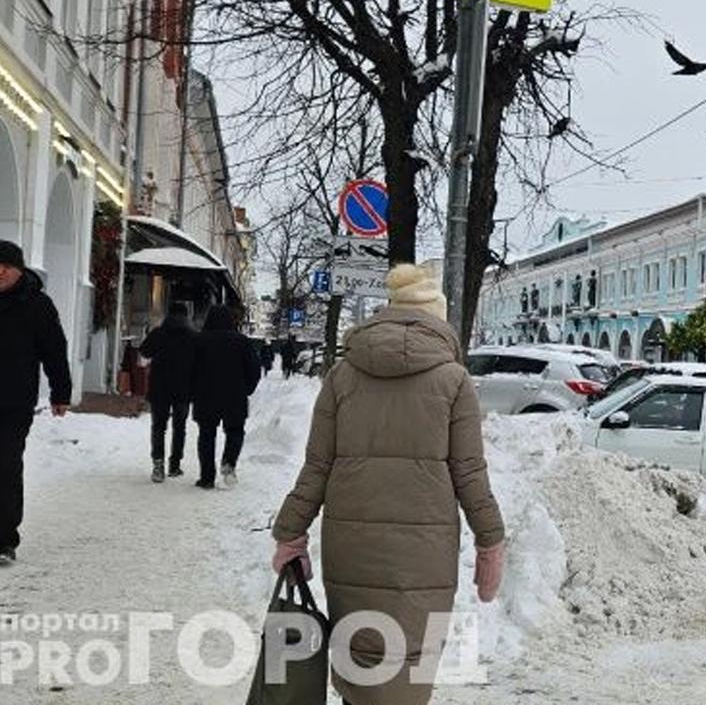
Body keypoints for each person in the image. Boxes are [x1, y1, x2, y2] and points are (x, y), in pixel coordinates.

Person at [271, 264, 505, 705]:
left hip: (351, 544)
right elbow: (470, 473)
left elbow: (316, 466)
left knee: (359, 653)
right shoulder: (454, 381)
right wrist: (490, 542)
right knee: (408, 665)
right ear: (438, 318)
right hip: (424, 554)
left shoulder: (343, 374)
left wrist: (290, 533)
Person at [0, 241, 71, 565]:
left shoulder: (37, 305)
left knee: (6, 466)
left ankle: (4, 539)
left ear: (19, 269)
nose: (0, 272)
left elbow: (54, 351)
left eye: (7, 266)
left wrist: (61, 392)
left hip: (12, 403)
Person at [191, 305, 261, 490]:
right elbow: (254, 370)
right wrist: (246, 389)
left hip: (206, 396)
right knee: (235, 432)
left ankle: (206, 478)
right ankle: (229, 463)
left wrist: (192, 391)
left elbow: (190, 370)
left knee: (206, 434)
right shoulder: (242, 342)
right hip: (234, 396)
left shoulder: (199, 341)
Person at [138, 302, 197, 483]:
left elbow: (144, 351)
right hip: (183, 389)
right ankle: (174, 465)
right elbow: (199, 362)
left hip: (160, 388)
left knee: (159, 427)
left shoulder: (158, 333)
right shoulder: (193, 336)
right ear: (186, 316)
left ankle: (158, 465)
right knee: (180, 428)